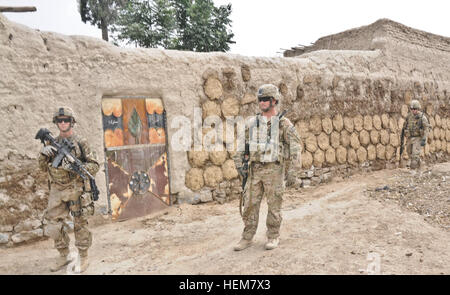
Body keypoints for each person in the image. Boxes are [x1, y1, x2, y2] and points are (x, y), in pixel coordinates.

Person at [232, 84, 301, 251]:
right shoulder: (252, 123)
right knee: (249, 205)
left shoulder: (284, 124)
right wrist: (239, 163)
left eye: (265, 99)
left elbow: (295, 149)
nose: (262, 102)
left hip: (274, 170)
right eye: (260, 99)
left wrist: (293, 172)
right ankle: (247, 237)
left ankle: (273, 236)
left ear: (274, 101)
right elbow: (242, 145)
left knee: (274, 205)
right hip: (255, 170)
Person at [38, 107, 99, 272]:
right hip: (57, 190)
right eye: (60, 120)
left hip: (76, 188)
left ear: (72, 122)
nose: (63, 123)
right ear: (56, 123)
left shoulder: (81, 142)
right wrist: (43, 154)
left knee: (80, 223)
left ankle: (83, 256)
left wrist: (73, 167)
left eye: (66, 120)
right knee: (52, 225)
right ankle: (64, 255)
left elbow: (94, 165)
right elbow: (43, 168)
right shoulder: (51, 142)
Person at [401, 100, 430, 170]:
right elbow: (405, 125)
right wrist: (404, 133)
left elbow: (426, 129)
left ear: (418, 109)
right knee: (409, 153)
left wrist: (424, 139)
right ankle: (420, 166)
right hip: (410, 138)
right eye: (412, 109)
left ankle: (413, 172)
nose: (413, 111)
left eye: (415, 109)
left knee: (414, 156)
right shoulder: (409, 116)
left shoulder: (422, 117)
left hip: (418, 138)